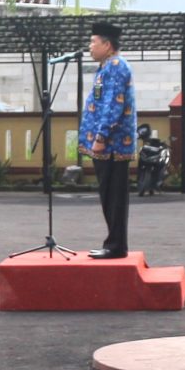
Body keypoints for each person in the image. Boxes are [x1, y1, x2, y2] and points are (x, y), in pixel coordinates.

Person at [78, 20, 136, 259]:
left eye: (93, 42)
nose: (90, 46)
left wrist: (101, 136)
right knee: (109, 196)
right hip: (106, 145)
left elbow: (113, 105)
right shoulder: (107, 66)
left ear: (107, 45)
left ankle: (115, 246)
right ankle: (113, 244)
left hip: (112, 145)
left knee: (114, 197)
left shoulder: (116, 67)